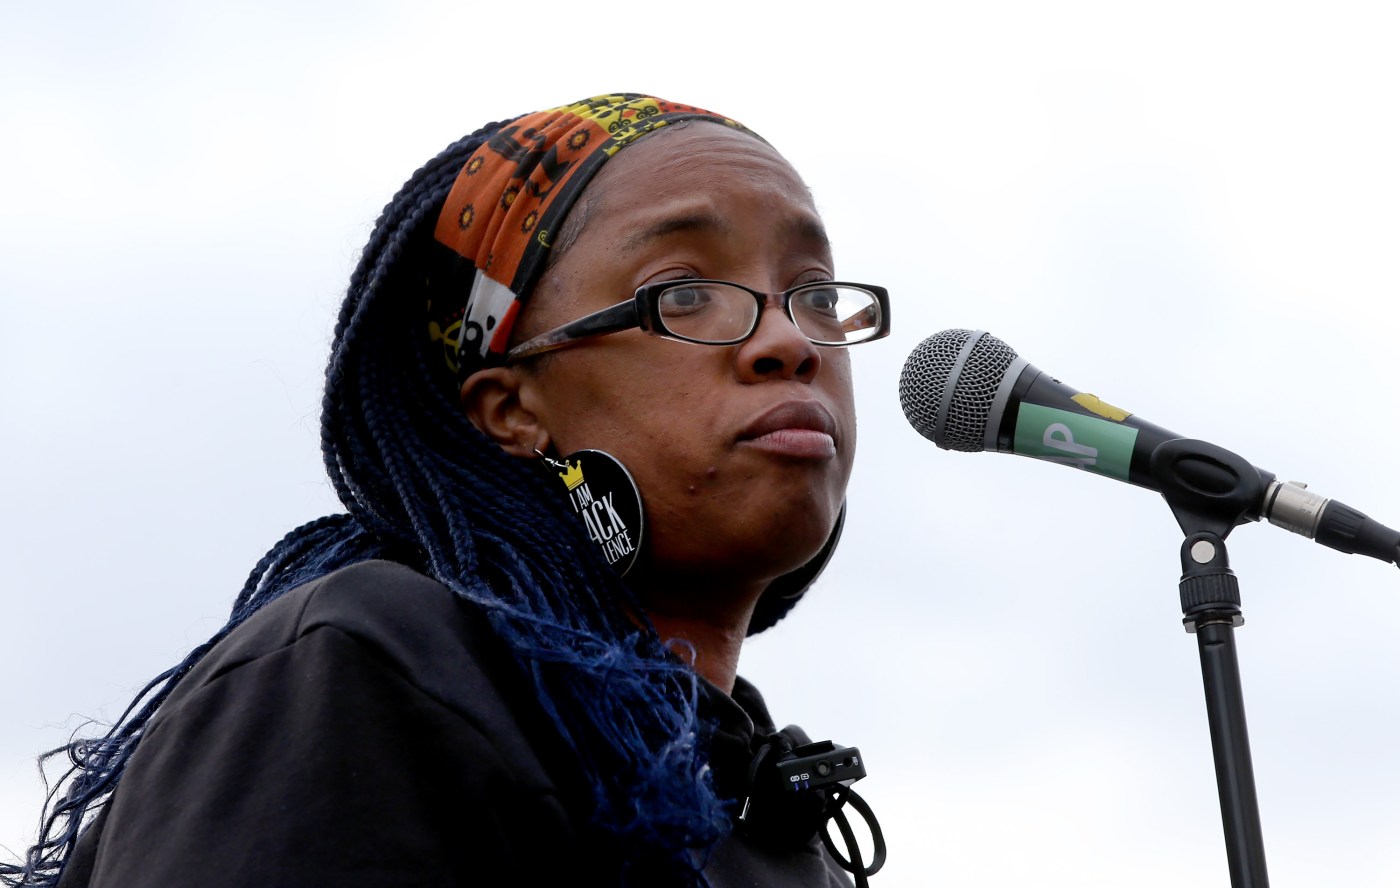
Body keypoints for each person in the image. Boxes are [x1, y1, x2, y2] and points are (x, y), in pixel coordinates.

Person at [3, 93, 891, 887]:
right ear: (510, 409)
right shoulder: (374, 668)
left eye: (814, 294)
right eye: (683, 292)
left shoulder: (771, 812)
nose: (791, 341)